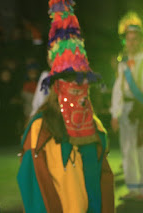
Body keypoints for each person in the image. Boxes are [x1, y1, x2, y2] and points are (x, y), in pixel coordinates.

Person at [17, 1, 114, 212]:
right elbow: (34, 186)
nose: (78, 85)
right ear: (56, 86)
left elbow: (104, 181)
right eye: (70, 78)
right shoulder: (40, 130)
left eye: (82, 79)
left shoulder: (96, 128)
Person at [111, 11, 143, 200]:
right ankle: (133, 187)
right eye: (128, 39)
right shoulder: (122, 63)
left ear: (139, 40)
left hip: (141, 109)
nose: (131, 43)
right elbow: (117, 90)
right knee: (127, 147)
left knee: (141, 148)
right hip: (126, 111)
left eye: (134, 39)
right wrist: (115, 114)